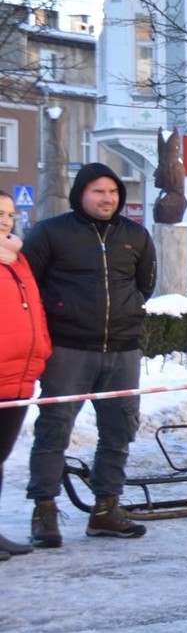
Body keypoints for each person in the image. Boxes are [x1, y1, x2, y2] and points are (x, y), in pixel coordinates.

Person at [23, 163, 155, 545]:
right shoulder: (51, 233)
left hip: (122, 349)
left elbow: (145, 284)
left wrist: (129, 309)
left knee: (118, 432)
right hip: (68, 349)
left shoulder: (136, 235)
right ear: (80, 193)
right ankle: (44, 511)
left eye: (112, 192)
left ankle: (106, 509)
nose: (107, 198)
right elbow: (29, 285)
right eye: (98, 191)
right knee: (54, 430)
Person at [0, 193, 49, 559]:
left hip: (18, 377)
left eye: (9, 214)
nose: (5, 220)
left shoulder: (17, 258)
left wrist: (41, 347)